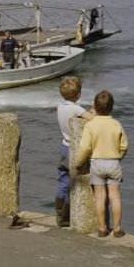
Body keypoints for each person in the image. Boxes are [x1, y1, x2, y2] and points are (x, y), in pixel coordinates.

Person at [73, 90, 128, 238]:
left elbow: (85, 148)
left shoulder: (91, 125)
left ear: (95, 108)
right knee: (115, 197)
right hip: (113, 163)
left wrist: (78, 163)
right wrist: (118, 157)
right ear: (112, 108)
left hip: (96, 163)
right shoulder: (116, 124)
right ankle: (117, 229)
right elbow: (124, 146)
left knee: (100, 197)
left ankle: (102, 228)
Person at [54, 76, 92, 227]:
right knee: (74, 182)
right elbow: (91, 119)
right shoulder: (76, 108)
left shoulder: (60, 107)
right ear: (78, 95)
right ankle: (68, 215)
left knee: (63, 181)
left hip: (64, 146)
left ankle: (58, 210)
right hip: (74, 148)